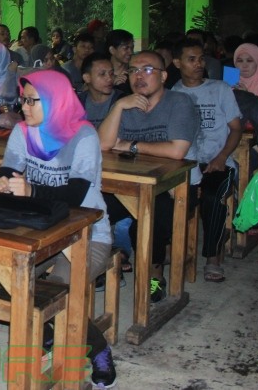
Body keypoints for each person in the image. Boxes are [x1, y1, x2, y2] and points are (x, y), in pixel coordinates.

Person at [0, 69, 116, 389]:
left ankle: (97, 349)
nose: (25, 107)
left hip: (86, 232)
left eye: (34, 101)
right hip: (37, 227)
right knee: (7, 275)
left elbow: (74, 197)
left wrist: (30, 191)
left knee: (58, 287)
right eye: (23, 100)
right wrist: (3, 181)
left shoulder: (84, 136)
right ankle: (51, 332)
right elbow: (9, 168)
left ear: (56, 101)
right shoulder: (22, 131)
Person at [97, 50, 198, 303]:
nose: (139, 76)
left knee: (154, 212)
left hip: (176, 186)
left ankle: (155, 273)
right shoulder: (125, 103)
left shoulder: (179, 102)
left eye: (147, 70)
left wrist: (130, 145)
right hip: (128, 185)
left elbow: (177, 150)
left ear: (164, 76)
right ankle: (101, 261)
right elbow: (102, 145)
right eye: (133, 70)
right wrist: (119, 105)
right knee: (89, 206)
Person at [171, 38, 242, 282]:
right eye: (191, 59)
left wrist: (222, 157)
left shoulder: (220, 88)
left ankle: (213, 257)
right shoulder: (173, 94)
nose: (199, 64)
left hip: (218, 161)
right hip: (187, 163)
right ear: (177, 63)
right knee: (171, 199)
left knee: (213, 196)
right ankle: (172, 249)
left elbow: (236, 129)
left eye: (201, 58)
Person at [78, 53, 121, 128]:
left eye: (111, 73)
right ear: (87, 78)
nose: (109, 79)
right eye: (102, 74)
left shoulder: (121, 100)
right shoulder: (78, 103)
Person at [104, 29, 134, 94]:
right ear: (112, 50)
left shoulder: (134, 72)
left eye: (132, 48)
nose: (131, 52)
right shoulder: (101, 75)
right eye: (126, 48)